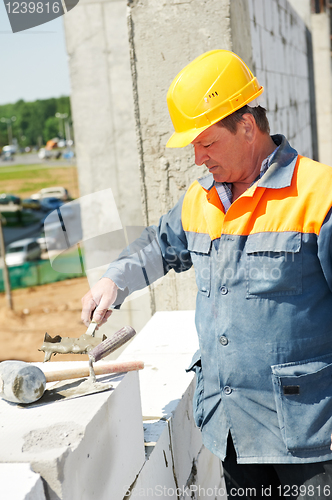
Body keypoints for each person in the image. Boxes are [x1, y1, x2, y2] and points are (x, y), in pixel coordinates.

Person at [81, 50, 332, 499]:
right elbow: (158, 244)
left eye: (206, 142)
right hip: (231, 430)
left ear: (248, 127)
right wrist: (113, 281)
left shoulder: (318, 195)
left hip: (309, 439)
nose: (197, 157)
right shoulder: (201, 200)